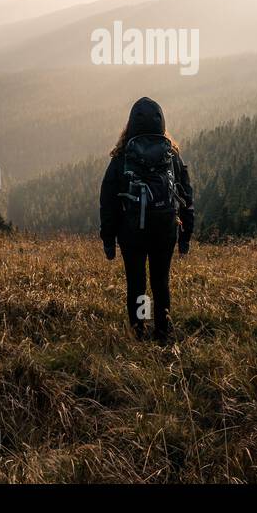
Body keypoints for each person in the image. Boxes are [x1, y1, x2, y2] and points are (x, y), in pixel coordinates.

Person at [99, 96, 195, 343]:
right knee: (161, 282)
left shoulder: (121, 158)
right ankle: (163, 334)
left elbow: (108, 201)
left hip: (132, 233)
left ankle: (139, 333)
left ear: (129, 125)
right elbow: (186, 195)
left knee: (137, 284)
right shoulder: (171, 156)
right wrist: (185, 237)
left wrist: (108, 241)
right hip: (165, 229)